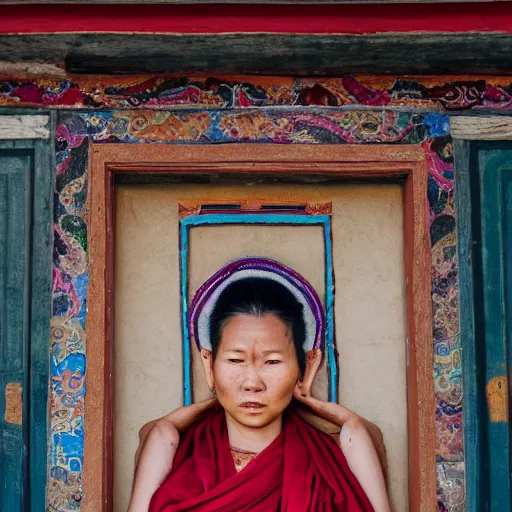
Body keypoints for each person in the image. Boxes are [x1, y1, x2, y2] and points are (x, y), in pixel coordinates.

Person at [128, 258, 391, 512]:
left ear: (306, 365)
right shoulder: (179, 454)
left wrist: (319, 404)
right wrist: (208, 405)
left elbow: (356, 433)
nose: (252, 383)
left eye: (272, 362)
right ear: (209, 364)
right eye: (235, 360)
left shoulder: (322, 465)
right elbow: (162, 433)